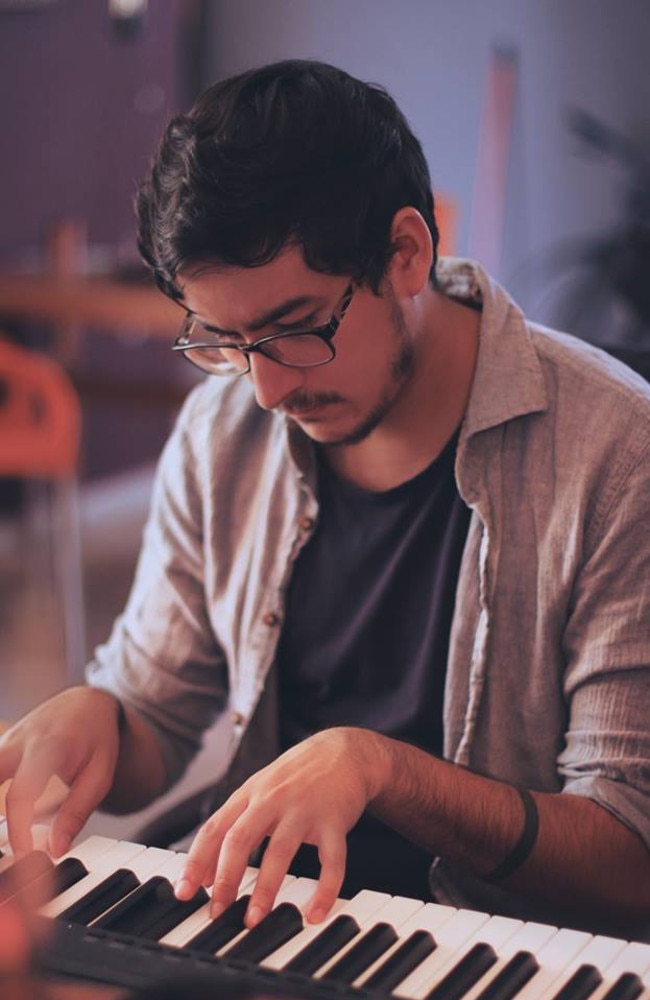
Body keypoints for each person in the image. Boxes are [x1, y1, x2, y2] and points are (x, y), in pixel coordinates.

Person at [1, 60, 649, 942]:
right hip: (248, 916)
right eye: (226, 341)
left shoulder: (618, 452)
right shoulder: (220, 431)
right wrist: (100, 719)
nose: (265, 390)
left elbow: (628, 857)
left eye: (298, 329)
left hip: (487, 942)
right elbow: (157, 715)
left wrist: (383, 770)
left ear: (407, 253)